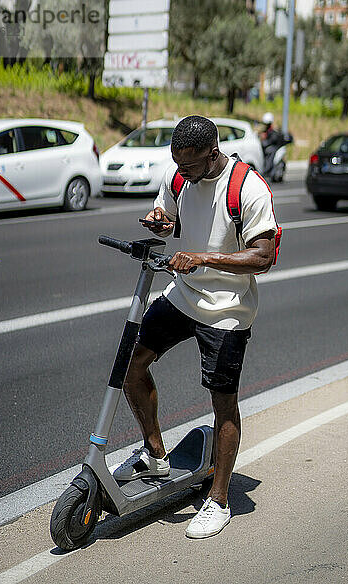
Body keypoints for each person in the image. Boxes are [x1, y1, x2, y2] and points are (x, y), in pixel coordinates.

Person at [113, 115, 278, 539]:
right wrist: (159, 220)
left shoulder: (249, 188)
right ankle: (155, 455)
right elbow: (170, 218)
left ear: (212, 151)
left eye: (188, 165)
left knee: (222, 403)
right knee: (132, 365)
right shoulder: (180, 175)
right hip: (184, 294)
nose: (181, 172)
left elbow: (263, 256)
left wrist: (202, 257)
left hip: (227, 308)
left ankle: (218, 500)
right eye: (176, 164)